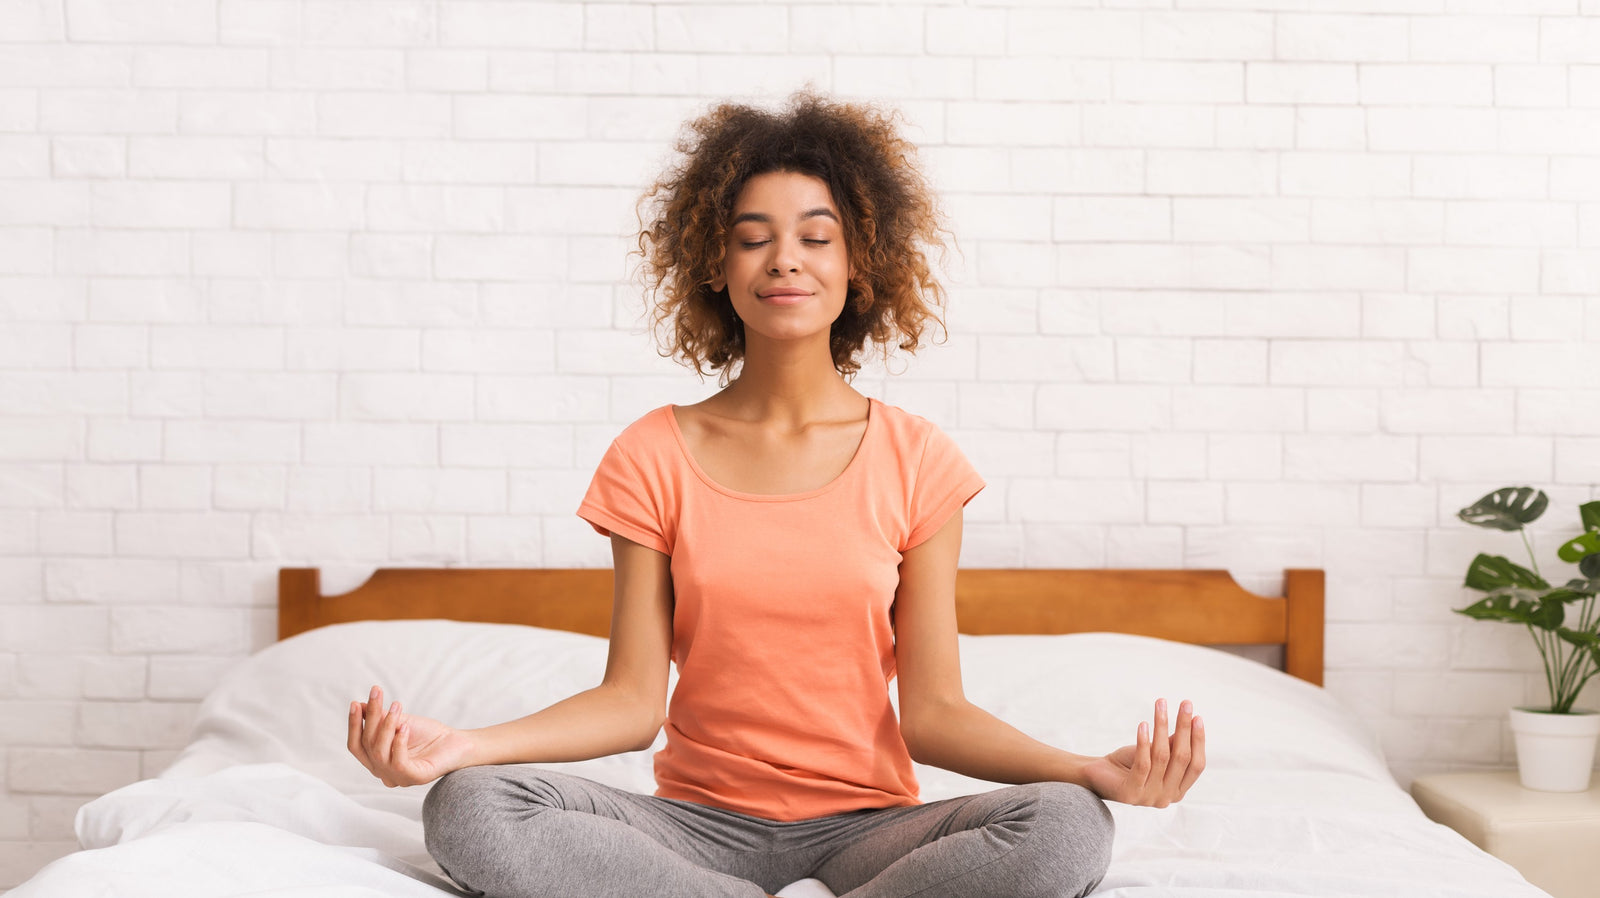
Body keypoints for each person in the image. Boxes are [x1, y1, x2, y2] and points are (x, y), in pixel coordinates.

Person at [346, 90, 1205, 898]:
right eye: (753, 236)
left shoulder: (917, 458)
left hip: (868, 830)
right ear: (715, 264)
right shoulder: (653, 453)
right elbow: (630, 702)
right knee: (469, 809)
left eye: (815, 236)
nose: (784, 259)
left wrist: (1087, 769)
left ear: (858, 263)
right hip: (691, 829)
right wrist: (466, 747)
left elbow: (936, 714)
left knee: (1064, 826)